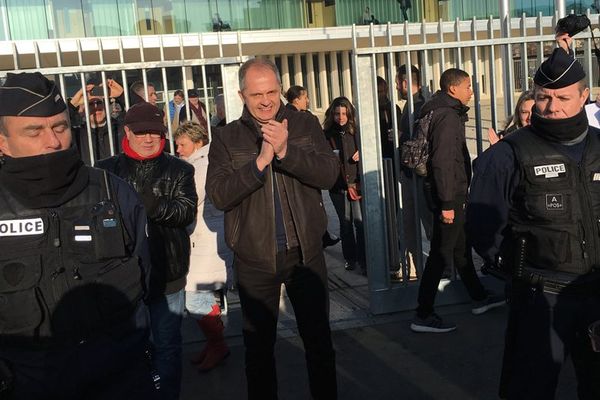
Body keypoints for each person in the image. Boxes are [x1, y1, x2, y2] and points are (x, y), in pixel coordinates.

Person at [0, 72, 158, 399]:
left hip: (121, 381)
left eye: (59, 128)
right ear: (3, 142)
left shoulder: (114, 194)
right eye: (34, 131)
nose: (53, 142)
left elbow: (146, 275)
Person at [467, 32, 600, 399]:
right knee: (530, 389)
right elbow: (482, 226)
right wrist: (518, 267)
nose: (552, 106)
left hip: (597, 295)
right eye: (544, 97)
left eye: (563, 97)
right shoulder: (508, 155)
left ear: (584, 96)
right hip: (542, 298)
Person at [206, 58, 338, 400]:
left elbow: (328, 174)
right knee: (259, 351)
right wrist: (261, 162)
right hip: (254, 259)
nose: (266, 100)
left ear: (280, 89)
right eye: (256, 94)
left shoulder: (305, 124)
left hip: (306, 254)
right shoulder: (226, 136)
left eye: (272, 92)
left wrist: (285, 151)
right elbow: (219, 195)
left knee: (319, 343)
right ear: (241, 95)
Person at [97, 102, 197, 400]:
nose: (148, 138)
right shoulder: (105, 171)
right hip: (123, 277)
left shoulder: (180, 169)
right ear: (127, 131)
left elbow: (185, 213)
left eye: (155, 131)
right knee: (128, 346)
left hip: (169, 273)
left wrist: (145, 202)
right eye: (141, 132)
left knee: (167, 345)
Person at [410, 68, 505, 334]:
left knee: (460, 248)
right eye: (467, 86)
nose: (471, 91)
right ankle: (423, 312)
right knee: (441, 253)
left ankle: (478, 297)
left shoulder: (438, 110)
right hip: (448, 196)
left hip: (447, 194)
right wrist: (448, 204)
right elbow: (443, 163)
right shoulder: (448, 116)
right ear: (453, 89)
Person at [173, 121, 232, 372]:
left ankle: (218, 344)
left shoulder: (200, 166)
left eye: (181, 144)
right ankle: (214, 343)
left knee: (196, 299)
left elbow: (188, 202)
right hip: (202, 242)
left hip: (204, 243)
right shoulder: (201, 162)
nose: (177, 149)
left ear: (197, 143)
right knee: (200, 297)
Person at [285, 85, 341, 249]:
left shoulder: (304, 115)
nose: (308, 100)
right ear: (296, 99)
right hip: (304, 168)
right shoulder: (297, 118)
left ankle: (322, 236)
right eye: (305, 97)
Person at [394, 65, 433, 279]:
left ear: (405, 82)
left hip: (419, 175)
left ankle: (437, 269)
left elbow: (420, 140)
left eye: (398, 82)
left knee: (427, 225)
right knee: (412, 226)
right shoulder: (413, 104)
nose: (396, 86)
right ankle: (418, 269)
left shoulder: (420, 106)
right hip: (412, 175)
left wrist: (400, 137)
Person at [324, 96, 366, 274]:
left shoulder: (357, 132)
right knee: (345, 224)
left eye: (343, 113)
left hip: (356, 184)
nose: (340, 117)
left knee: (360, 223)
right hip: (338, 185)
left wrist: (362, 153)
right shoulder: (327, 134)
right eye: (337, 113)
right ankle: (350, 258)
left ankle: (365, 261)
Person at [69, 78, 126, 165]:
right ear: (83, 110)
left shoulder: (121, 128)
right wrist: (73, 104)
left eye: (99, 102)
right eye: (90, 104)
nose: (96, 107)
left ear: (106, 105)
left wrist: (122, 95)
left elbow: (142, 117)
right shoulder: (78, 135)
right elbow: (57, 124)